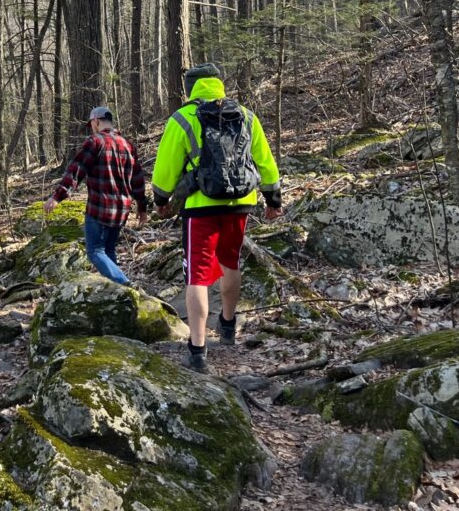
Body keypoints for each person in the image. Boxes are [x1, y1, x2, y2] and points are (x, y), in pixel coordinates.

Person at [152, 63, 283, 372]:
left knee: (197, 275)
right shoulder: (246, 116)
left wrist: (160, 199)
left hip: (201, 204)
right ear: (219, 84)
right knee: (230, 263)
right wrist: (272, 198)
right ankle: (227, 324)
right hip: (240, 202)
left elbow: (165, 169)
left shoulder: (182, 118)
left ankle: (197, 350)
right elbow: (264, 160)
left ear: (191, 88)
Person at [44, 106, 150, 286]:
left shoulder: (94, 142)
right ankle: (119, 294)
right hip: (121, 210)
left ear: (96, 121)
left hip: (99, 208)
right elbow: (138, 179)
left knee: (95, 251)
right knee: (108, 250)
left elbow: (76, 171)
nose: (92, 127)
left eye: (91, 124)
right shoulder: (127, 144)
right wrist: (142, 207)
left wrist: (57, 196)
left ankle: (123, 283)